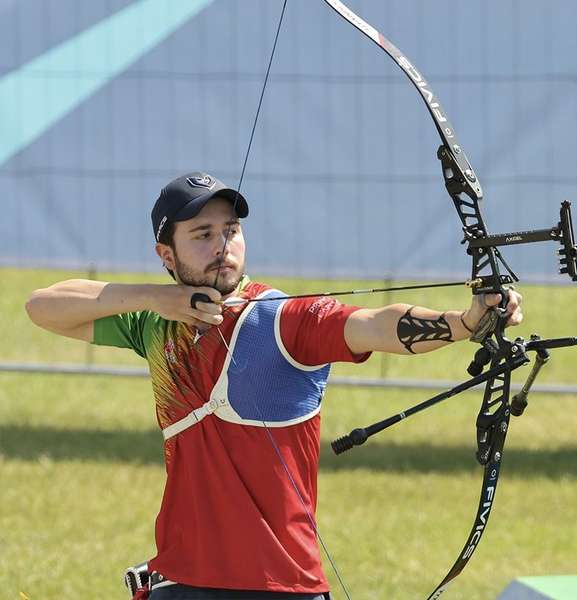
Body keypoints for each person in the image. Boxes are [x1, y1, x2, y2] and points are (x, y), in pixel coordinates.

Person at [25, 172, 524, 599]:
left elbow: (373, 324)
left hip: (278, 583)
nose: (222, 246)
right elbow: (43, 306)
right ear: (167, 254)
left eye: (232, 230)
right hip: (180, 577)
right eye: (202, 234)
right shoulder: (155, 324)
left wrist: (464, 321)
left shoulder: (283, 319)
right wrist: (156, 298)